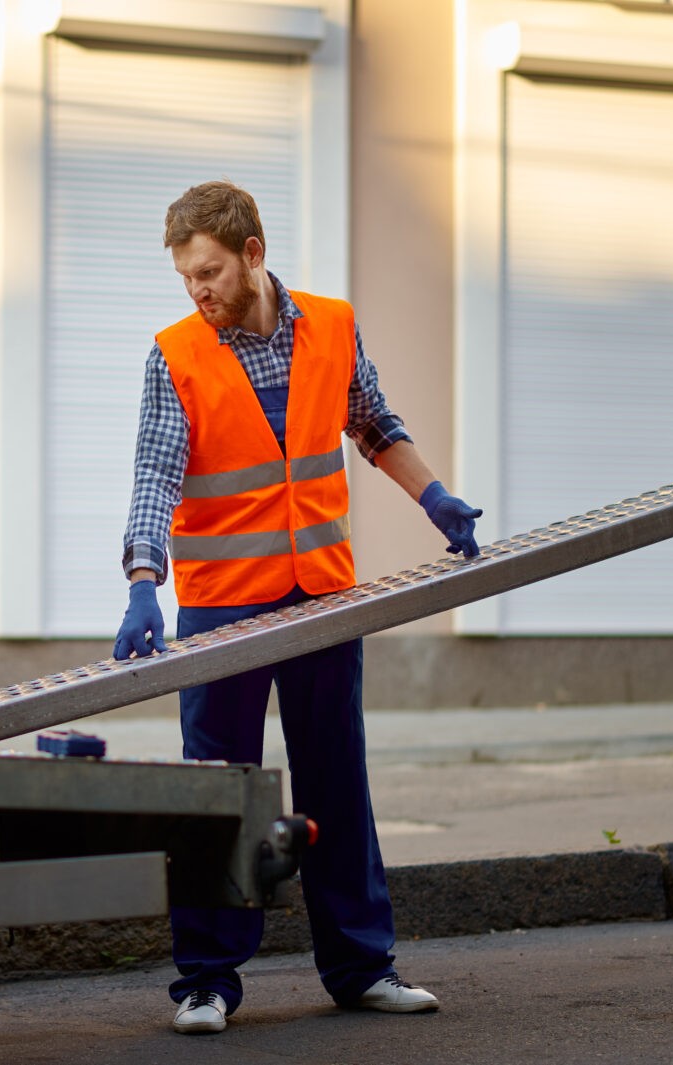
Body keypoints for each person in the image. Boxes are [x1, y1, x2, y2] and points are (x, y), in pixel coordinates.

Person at [113, 181, 484, 1035]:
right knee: (217, 796)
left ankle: (362, 966)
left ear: (253, 254)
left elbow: (375, 423)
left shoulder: (333, 326)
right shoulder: (175, 353)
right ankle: (206, 981)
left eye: (209, 271)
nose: (197, 291)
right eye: (185, 278)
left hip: (321, 596)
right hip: (220, 609)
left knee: (336, 782)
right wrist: (143, 581)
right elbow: (156, 474)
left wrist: (434, 498)